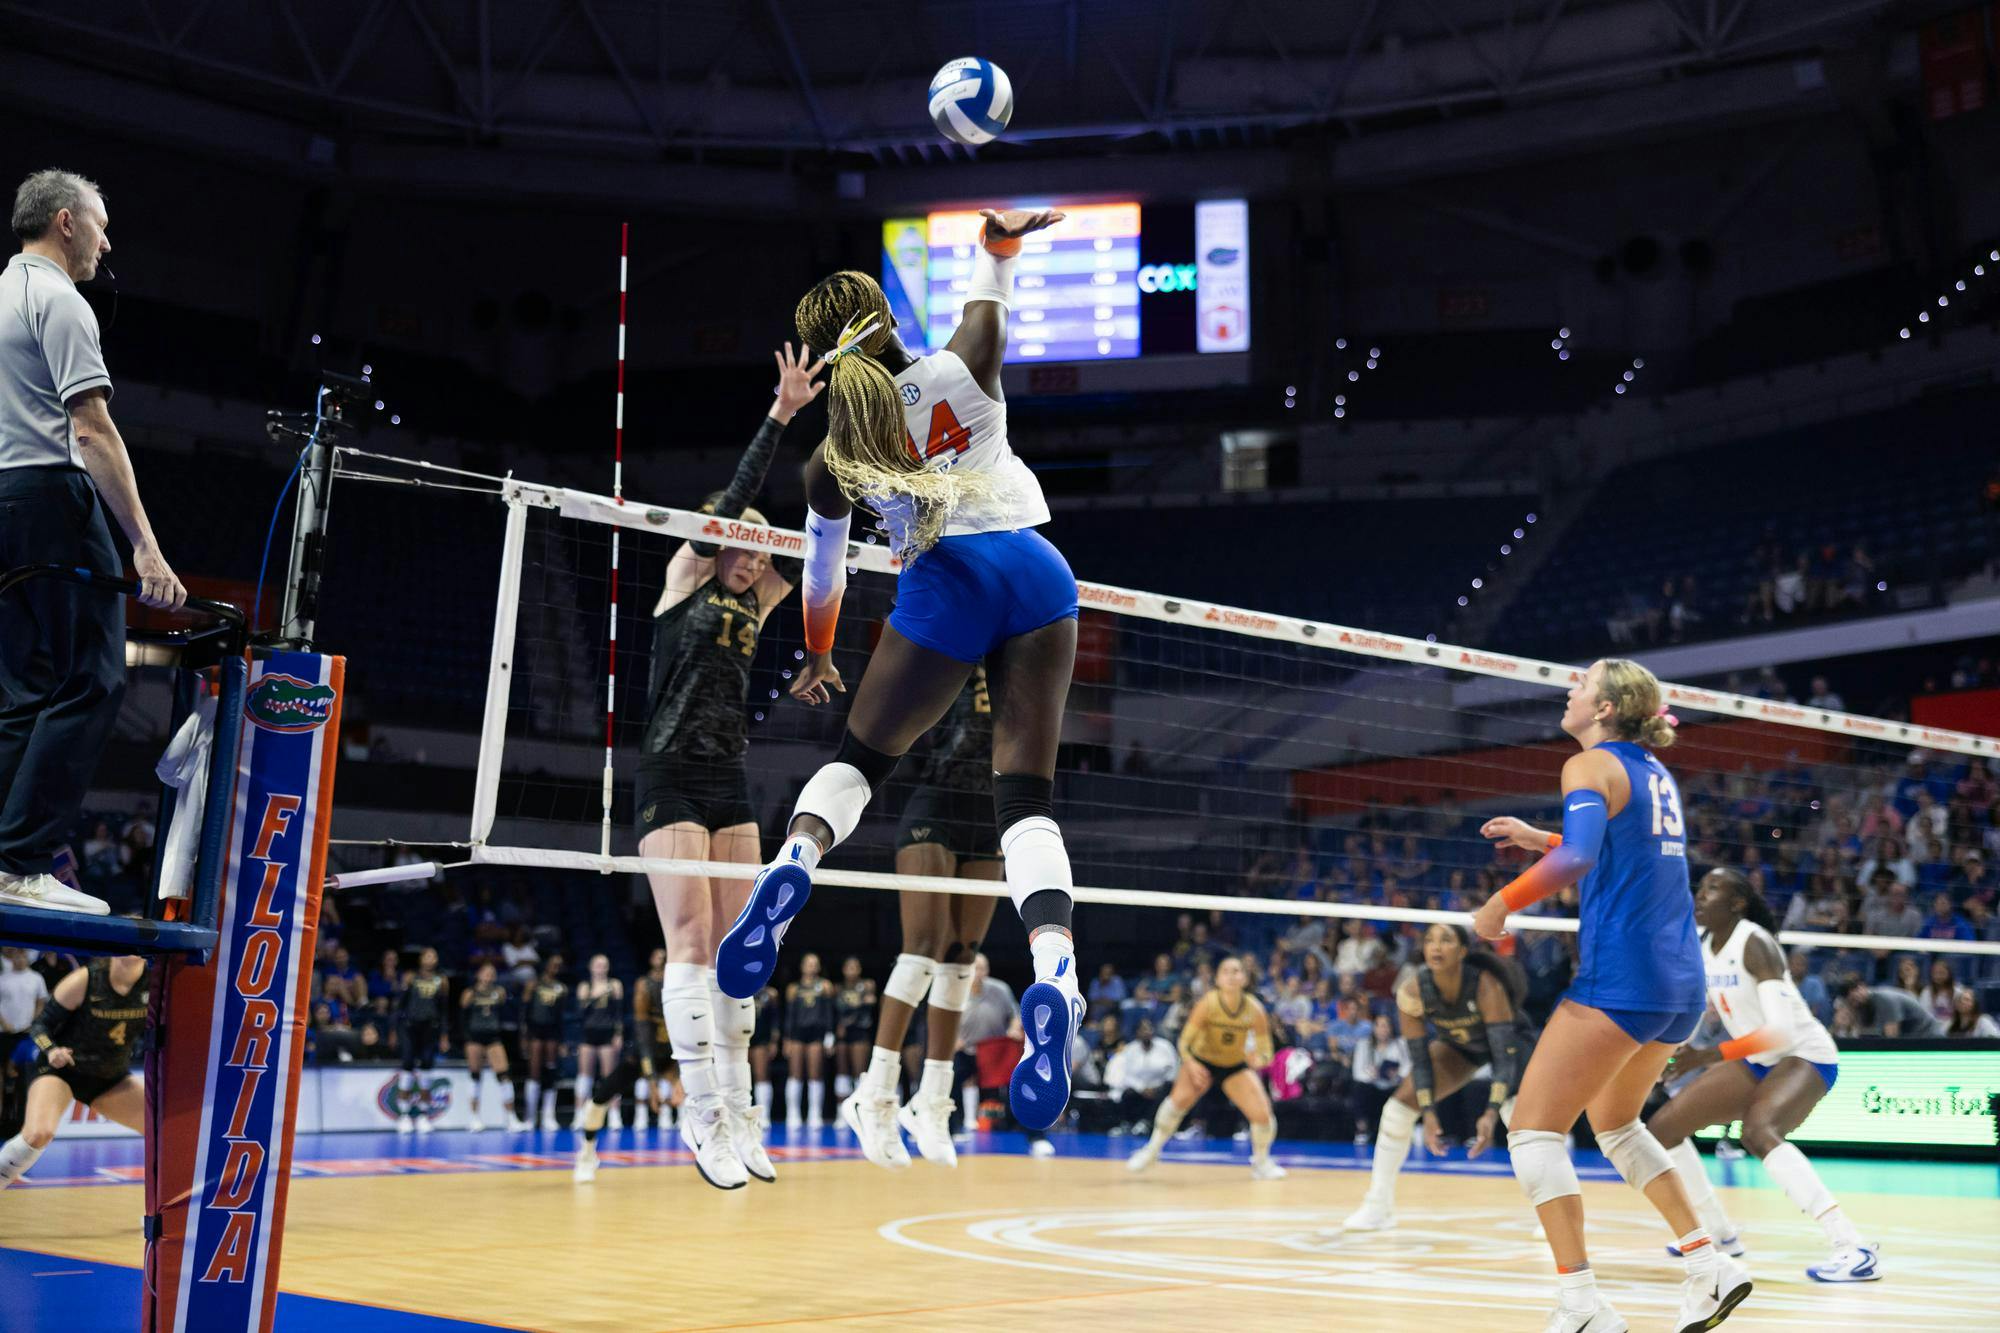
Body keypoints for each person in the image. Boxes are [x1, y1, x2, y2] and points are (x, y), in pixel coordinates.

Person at [717, 210, 1089, 1135]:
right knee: (1027, 803)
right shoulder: (968, 361)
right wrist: (999, 242)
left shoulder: (830, 462)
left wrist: (814, 654)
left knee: (859, 762)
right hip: (1037, 572)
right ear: (885, 317)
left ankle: (795, 858)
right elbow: (991, 287)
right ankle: (1056, 974)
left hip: (944, 592)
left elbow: (823, 576)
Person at [1472, 659, 1752, 1333]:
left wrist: (1497, 906)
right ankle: (1709, 1263)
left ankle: (1582, 1303)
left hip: (1623, 978)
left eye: (1581, 682)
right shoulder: (1653, 771)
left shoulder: (1587, 766)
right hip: (1678, 983)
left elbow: (1579, 861)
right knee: (1617, 1125)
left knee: (1533, 1130)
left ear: (1603, 707)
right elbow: (1603, 847)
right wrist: (1537, 837)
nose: (1569, 689)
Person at [624, 347, 814, 1190]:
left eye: (753, 549)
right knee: (692, 946)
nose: (748, 551)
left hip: (728, 779)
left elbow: (819, 558)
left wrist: (817, 649)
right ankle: (700, 1112)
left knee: (744, 953)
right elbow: (733, 515)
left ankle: (740, 1112)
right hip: (668, 773)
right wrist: (781, 414)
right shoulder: (687, 576)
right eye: (736, 542)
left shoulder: (760, 595)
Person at [1, 171, 183, 917]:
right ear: (67, 222)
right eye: (102, 227)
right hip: (50, 494)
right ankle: (22, 860)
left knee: (22, 692)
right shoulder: (59, 300)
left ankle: (5, 856)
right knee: (97, 677)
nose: (108, 243)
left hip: (2, 499)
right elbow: (91, 429)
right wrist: (144, 544)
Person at [1649, 869, 1878, 1283]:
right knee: (1662, 1130)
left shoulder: (1754, 942)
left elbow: (1780, 1032)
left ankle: (1854, 1247)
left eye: (1712, 890)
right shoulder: (1704, 946)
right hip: (1757, 1058)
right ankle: (1718, 1234)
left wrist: (1705, 1056)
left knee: (1758, 1132)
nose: (1700, 897)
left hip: (1802, 1053)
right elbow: (1699, 1012)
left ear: (1737, 903)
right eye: (1699, 890)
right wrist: (1667, 1055)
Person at [841, 666, 1006, 1170]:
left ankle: (931, 1101)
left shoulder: (1024, 668)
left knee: (961, 958)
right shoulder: (955, 656)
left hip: (990, 815)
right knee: (924, 949)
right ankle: (873, 1092)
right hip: (936, 804)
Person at [1343, 923, 1533, 1232]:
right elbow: (1419, 1061)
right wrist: (1428, 1114)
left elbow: (1502, 1057)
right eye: (1430, 939)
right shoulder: (1413, 990)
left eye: (1446, 940)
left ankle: (1548, 1214)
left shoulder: (1485, 986)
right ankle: (1378, 1206)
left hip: (1511, 1046)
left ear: (1461, 952)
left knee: (1521, 1123)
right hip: (1461, 1047)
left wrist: (1491, 1112)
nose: (1436, 946)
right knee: (1397, 1111)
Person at [1125, 956, 1284, 1180]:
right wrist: (1190, 1064)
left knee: (1263, 1114)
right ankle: (1151, 1151)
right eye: (1226, 971)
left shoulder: (1254, 1009)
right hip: (1202, 1061)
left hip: (1234, 1065)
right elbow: (1184, 1042)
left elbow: (1266, 1049)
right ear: (1218, 978)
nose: (1231, 975)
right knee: (1175, 1104)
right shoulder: (1208, 1003)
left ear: (1245, 978)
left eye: (1236, 971)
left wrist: (1260, 1060)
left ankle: (1262, 1162)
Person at [0, 954, 147, 1187]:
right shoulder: (86, 979)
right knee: (37, 1135)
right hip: (63, 1070)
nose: (131, 953)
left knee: (165, 1134)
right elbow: (40, 1026)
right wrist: (51, 1051)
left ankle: (160, 1217)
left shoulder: (155, 983)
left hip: (110, 1077)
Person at [574, 951, 698, 1185]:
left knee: (712, 1091)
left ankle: (723, 1150)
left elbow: (692, 1034)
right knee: (599, 1099)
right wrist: (653, 1083)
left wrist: (679, 1078)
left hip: (676, 1054)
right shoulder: (645, 986)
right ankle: (587, 1153)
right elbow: (643, 1037)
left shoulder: (689, 987)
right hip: (646, 1053)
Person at [459, 962, 523, 1133]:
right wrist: (465, 1039)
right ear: (478, 975)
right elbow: (462, 1016)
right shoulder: (469, 993)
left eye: (492, 973)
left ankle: (511, 1118)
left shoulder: (499, 993)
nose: (489, 975)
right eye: (485, 972)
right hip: (474, 1038)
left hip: (493, 1038)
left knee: (504, 1075)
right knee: (475, 1076)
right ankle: (474, 1118)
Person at [394, 948, 448, 1135]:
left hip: (430, 1029)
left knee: (427, 1066)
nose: (431, 959)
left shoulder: (441, 981)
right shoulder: (410, 977)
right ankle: (404, 1114)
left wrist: (444, 1035)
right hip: (410, 1027)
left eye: (434, 955)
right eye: (427, 955)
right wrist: (394, 1029)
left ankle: (424, 1114)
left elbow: (443, 1010)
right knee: (407, 1065)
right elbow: (400, 1004)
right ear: (421, 959)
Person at [572, 954, 624, 1130]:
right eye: (598, 965)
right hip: (588, 1034)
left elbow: (619, 1013)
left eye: (604, 965)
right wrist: (591, 997)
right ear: (591, 967)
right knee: (584, 1076)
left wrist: (618, 1034)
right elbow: (579, 1014)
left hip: (607, 1034)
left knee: (609, 1076)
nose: (601, 968)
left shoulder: (615, 985)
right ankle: (579, 1114)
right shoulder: (584, 987)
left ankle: (614, 1115)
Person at [784, 952, 835, 1130]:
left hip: (817, 1034)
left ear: (819, 967)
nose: (811, 966)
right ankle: (793, 1113)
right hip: (797, 1034)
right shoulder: (793, 988)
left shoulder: (825, 986)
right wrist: (787, 1038)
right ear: (802, 966)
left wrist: (830, 1035)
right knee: (795, 1073)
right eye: (808, 963)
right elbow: (790, 1015)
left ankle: (815, 1114)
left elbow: (829, 1012)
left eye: (815, 963)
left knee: (815, 1074)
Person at [1, 947, 49, 1130]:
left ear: (26, 957)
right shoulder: (3, 978)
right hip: (4, 1034)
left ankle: (23, 1122)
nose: (19, 958)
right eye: (16, 955)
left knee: (25, 1079)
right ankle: (2, 1118)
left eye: (22, 954)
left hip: (26, 1036)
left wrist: (33, 1022)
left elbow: (41, 1002)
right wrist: (5, 1024)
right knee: (3, 1079)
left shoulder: (36, 979)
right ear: (11, 957)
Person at [1103, 1016, 1178, 1131]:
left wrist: (1157, 1087)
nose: (1147, 1032)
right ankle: (1126, 1124)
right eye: (1143, 1029)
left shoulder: (1165, 1047)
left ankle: (1147, 1123)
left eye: (1149, 1029)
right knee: (1127, 1093)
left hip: (1160, 1087)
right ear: (1137, 1032)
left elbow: (1173, 1070)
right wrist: (1142, 1088)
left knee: (1168, 1088)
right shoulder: (1130, 1049)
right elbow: (1127, 1074)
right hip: (1139, 1089)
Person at [522, 954, 568, 1131]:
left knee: (551, 1070)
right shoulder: (533, 985)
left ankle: (549, 1115)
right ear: (546, 965)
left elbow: (561, 1016)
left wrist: (562, 1040)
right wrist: (524, 1037)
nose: (556, 968)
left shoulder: (561, 988)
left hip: (553, 1032)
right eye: (553, 964)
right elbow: (524, 1012)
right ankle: (530, 1116)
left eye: (559, 965)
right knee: (534, 1072)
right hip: (535, 1030)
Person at [1833, 976, 1943, 1037]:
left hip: (1930, 1036)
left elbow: (1891, 1038)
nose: (1855, 1001)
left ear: (1863, 987)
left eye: (1856, 993)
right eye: (1851, 1000)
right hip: (1914, 1037)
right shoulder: (1861, 1006)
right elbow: (1860, 1033)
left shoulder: (1885, 1000)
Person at [832, 955, 876, 1106]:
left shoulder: (868, 985)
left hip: (860, 1031)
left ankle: (860, 1106)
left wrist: (849, 1017)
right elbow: (837, 1009)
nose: (852, 970)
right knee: (842, 1071)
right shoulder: (837, 988)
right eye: (849, 967)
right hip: (842, 1033)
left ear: (860, 969)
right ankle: (841, 1109)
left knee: (859, 1071)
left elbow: (869, 1005)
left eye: (855, 967)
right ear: (844, 970)